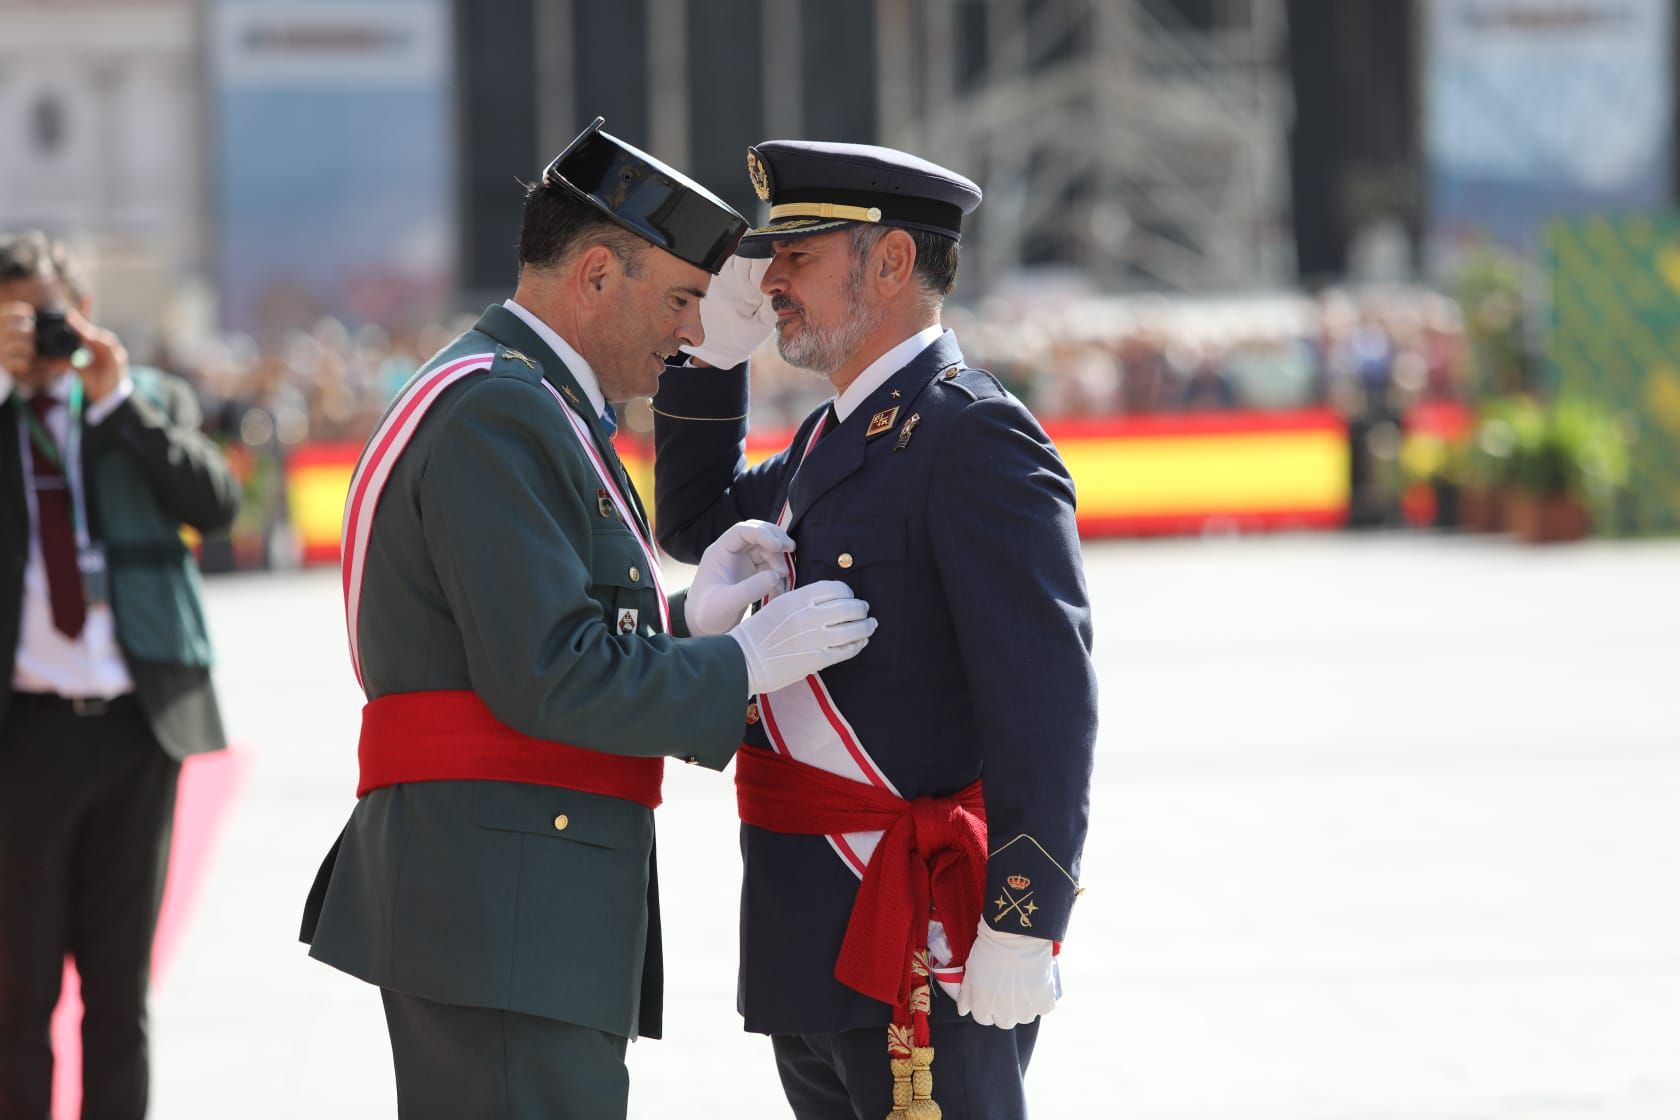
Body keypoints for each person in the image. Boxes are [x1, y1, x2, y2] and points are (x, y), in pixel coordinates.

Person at [298, 118, 876, 1119]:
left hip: (505, 887)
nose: (693, 333)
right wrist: (739, 664)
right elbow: (548, 670)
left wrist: (686, 617)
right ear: (599, 273)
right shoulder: (502, 411)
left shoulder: (515, 393)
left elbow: (526, 626)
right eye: (682, 299)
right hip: (509, 898)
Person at [653, 142, 1098, 1118]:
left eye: (797, 257)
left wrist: (1026, 919)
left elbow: (1045, 694)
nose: (770, 282)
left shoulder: (972, 434)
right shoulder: (833, 433)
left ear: (890, 263)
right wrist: (710, 352)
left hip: (918, 928)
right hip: (809, 924)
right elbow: (688, 523)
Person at [0, 230, 239, 1119]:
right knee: (18, 996)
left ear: (85, 314)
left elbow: (214, 506)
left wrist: (119, 407)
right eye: (12, 321)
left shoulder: (147, 401)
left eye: (47, 316)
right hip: (22, 735)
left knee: (118, 995)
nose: (36, 338)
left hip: (140, 728)